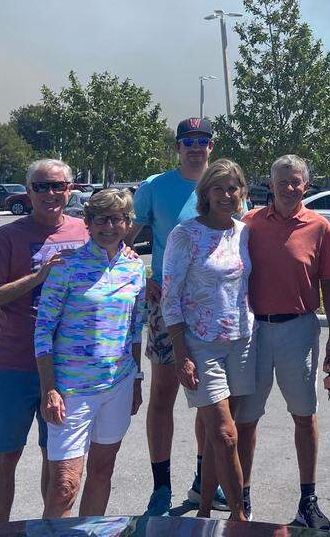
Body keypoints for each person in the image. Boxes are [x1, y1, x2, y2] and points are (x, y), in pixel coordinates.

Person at [0, 159, 89, 525]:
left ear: (70, 189)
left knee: (54, 457)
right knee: (6, 455)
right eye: (41, 187)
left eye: (58, 186)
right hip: (12, 364)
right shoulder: (6, 237)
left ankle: (49, 528)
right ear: (28, 191)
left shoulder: (86, 230)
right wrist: (39, 276)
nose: (50, 194)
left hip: (68, 368)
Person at [237, 154, 330, 531]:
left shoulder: (319, 226)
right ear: (270, 183)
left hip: (298, 328)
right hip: (253, 331)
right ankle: (241, 498)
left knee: (304, 415)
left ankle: (307, 499)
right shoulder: (248, 225)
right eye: (282, 179)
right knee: (246, 419)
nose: (288, 186)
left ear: (306, 185)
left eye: (295, 180)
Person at [35, 188, 146, 519]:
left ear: (128, 223)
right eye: (100, 219)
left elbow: (134, 330)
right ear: (88, 222)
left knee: (102, 472)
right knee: (65, 485)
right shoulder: (66, 266)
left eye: (117, 219)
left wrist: (137, 379)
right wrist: (49, 389)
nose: (109, 226)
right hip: (71, 391)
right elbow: (42, 331)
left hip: (119, 385)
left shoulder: (135, 267)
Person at [128, 117, 218, 515]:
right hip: (167, 307)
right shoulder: (155, 187)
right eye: (188, 141)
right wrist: (145, 274)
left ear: (211, 146)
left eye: (203, 140)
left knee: (206, 398)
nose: (195, 147)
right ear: (178, 147)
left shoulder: (223, 184)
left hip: (212, 309)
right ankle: (160, 487)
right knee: (163, 396)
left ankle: (203, 482)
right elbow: (122, 241)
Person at [162, 159, 256, 522]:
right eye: (218, 188)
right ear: (206, 194)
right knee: (224, 434)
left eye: (233, 188)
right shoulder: (185, 234)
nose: (227, 195)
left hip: (242, 340)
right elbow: (171, 296)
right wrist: (181, 352)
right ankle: (238, 517)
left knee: (224, 437)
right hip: (201, 344)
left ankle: (203, 510)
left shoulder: (243, 231)